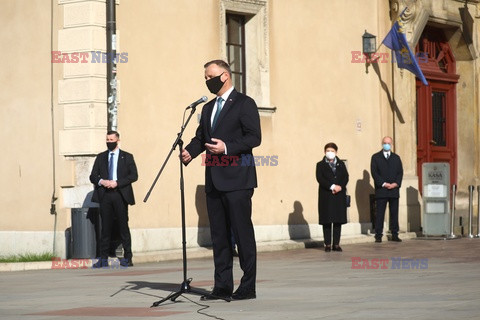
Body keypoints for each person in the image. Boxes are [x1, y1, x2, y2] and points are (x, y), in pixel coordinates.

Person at [181, 59, 261, 301]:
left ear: (225, 76)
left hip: (238, 179)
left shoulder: (245, 103)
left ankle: (247, 287)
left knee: (242, 233)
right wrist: (190, 152)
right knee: (219, 236)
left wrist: (227, 147)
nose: (207, 81)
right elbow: (200, 138)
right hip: (214, 180)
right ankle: (222, 286)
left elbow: (253, 138)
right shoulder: (207, 108)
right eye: (205, 77)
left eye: (210, 76)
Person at [90, 130, 138, 267]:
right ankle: (103, 258)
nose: (109, 142)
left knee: (123, 227)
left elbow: (133, 175)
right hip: (105, 195)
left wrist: (117, 182)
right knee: (105, 228)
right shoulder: (101, 157)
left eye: (112, 140)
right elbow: (93, 176)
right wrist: (102, 182)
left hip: (120, 194)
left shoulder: (127, 157)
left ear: (118, 141)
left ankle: (128, 257)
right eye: (107, 140)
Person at [316, 143, 349, 252]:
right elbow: (320, 178)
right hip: (326, 195)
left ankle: (336, 244)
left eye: (332, 151)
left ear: (336, 152)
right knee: (327, 220)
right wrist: (332, 186)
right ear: (325, 152)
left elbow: (346, 177)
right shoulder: (320, 165)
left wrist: (340, 186)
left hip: (339, 195)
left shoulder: (341, 164)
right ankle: (327, 244)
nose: (330, 153)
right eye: (328, 150)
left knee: (337, 220)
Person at [370, 136, 403, 243]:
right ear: (382, 144)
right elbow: (374, 173)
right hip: (382, 190)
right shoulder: (375, 157)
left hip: (394, 190)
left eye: (388, 143)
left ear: (391, 144)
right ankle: (378, 235)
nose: (386, 144)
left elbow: (400, 172)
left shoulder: (396, 158)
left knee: (394, 213)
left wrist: (396, 184)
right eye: (385, 143)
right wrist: (384, 184)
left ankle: (395, 234)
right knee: (380, 213)